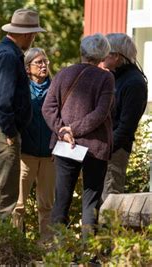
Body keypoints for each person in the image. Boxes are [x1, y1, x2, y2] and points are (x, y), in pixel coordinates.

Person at [42, 34, 114, 239]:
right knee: (90, 201)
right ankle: (87, 253)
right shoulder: (106, 77)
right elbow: (100, 114)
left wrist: (64, 131)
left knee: (61, 200)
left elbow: (48, 108)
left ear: (82, 51)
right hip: (95, 146)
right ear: (103, 54)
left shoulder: (63, 74)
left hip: (66, 146)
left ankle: (58, 253)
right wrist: (71, 130)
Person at [0, 8, 45, 220]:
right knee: (4, 193)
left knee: (3, 191)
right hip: (0, 131)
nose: (33, 38)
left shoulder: (6, 53)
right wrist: (9, 130)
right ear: (26, 34)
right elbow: (0, 98)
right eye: (33, 34)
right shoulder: (7, 56)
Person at [12, 48, 55, 240]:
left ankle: (46, 246)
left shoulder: (56, 88)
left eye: (45, 62)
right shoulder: (21, 89)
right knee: (18, 204)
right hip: (25, 154)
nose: (44, 65)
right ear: (27, 68)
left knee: (46, 205)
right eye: (38, 62)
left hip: (50, 155)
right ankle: (16, 244)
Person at [101, 33, 148, 201]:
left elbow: (126, 126)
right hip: (103, 148)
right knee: (96, 201)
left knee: (109, 201)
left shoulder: (134, 83)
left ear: (117, 56)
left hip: (114, 151)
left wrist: (107, 148)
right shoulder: (114, 77)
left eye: (106, 52)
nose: (102, 56)